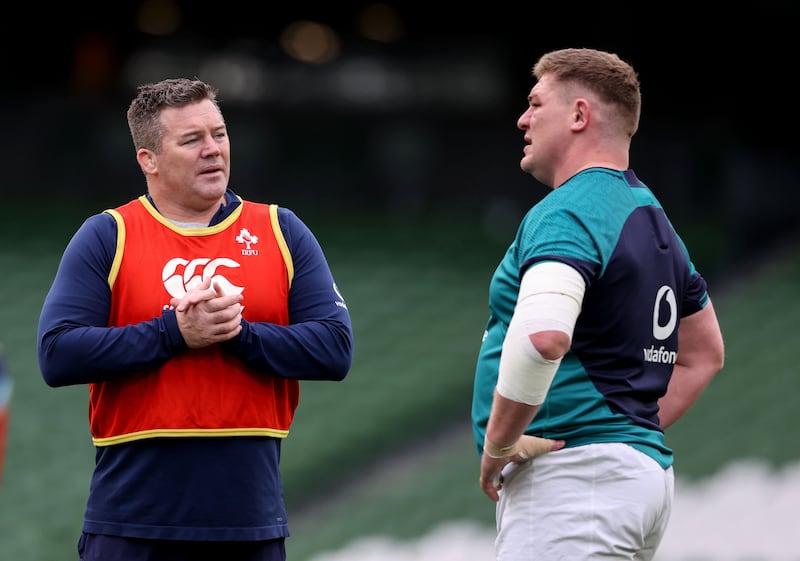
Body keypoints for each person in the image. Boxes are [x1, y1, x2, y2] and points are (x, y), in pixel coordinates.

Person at [37, 78, 354, 561]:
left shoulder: (280, 229)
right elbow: (57, 353)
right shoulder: (107, 234)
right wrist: (175, 333)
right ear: (149, 160)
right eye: (191, 140)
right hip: (130, 526)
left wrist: (237, 334)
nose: (213, 149)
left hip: (249, 526)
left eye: (219, 134)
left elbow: (334, 349)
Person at [470, 48, 725, 560]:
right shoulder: (653, 218)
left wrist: (499, 443)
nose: (522, 119)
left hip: (574, 483)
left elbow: (544, 337)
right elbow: (705, 355)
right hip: (631, 478)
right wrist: (625, 433)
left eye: (535, 103)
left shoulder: (568, 210)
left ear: (579, 115)